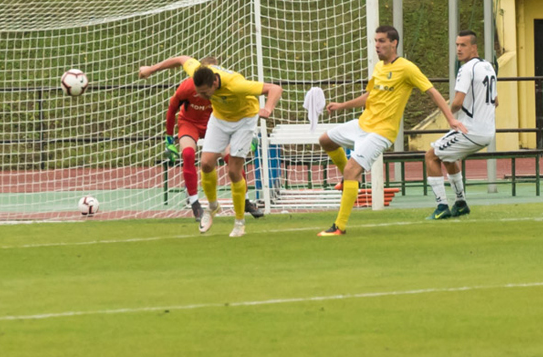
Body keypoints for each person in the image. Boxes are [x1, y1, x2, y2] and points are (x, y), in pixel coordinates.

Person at [316, 25, 467, 236]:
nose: (376, 45)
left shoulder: (406, 68)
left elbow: (432, 92)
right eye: (375, 41)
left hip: (381, 132)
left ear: (393, 43)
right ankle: (347, 180)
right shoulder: (379, 68)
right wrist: (342, 105)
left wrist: (450, 118)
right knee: (325, 140)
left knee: (353, 170)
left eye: (381, 41)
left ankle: (339, 227)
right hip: (362, 124)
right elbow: (369, 97)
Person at [139, 55, 282, 237]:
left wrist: (267, 109)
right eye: (200, 92)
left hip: (244, 121)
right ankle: (212, 206)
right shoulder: (198, 72)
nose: (202, 96)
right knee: (206, 163)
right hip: (219, 119)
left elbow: (275, 88)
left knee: (233, 171)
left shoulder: (237, 84)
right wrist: (151, 69)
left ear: (215, 83)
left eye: (205, 93)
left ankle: (239, 222)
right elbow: (182, 59)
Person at [164, 56, 262, 222]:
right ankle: (195, 204)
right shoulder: (188, 86)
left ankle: (244, 200)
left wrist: (248, 135)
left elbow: (242, 109)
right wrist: (168, 139)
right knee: (188, 154)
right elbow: (172, 108)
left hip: (214, 123)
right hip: (190, 123)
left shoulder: (226, 88)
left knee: (233, 160)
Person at [424, 31, 496, 221]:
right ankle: (461, 203)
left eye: (463, 45)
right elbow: (496, 101)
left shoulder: (466, 69)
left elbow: (457, 102)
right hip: (487, 131)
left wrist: (449, 113)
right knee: (448, 156)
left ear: (474, 47)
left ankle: (441, 206)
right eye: (457, 45)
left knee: (431, 156)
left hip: (471, 130)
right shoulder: (487, 66)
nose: (458, 49)